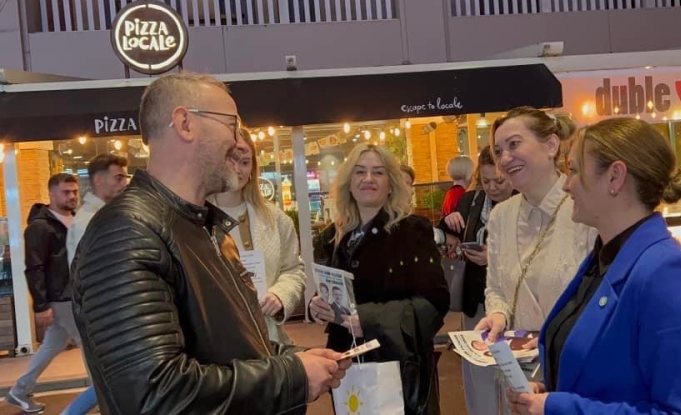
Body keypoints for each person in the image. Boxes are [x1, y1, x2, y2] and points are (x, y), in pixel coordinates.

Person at [70, 72, 350, 414]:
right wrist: (291, 375)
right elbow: (156, 394)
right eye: (231, 124)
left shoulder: (203, 225)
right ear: (185, 123)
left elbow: (233, 347)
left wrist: (295, 360)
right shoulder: (126, 232)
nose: (240, 142)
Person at [507, 117, 681, 414]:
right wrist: (549, 392)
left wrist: (559, 407)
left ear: (614, 177)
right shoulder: (603, 261)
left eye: (574, 170)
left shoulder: (669, 275)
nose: (567, 186)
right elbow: (605, 376)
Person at [309, 143, 450, 414]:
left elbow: (435, 302)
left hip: (399, 368)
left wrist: (369, 320)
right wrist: (319, 305)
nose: (368, 178)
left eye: (378, 172)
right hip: (349, 366)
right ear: (349, 183)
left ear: (391, 184)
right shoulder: (338, 235)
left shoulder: (412, 231)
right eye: (360, 172)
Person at [476, 107, 595, 415]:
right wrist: (498, 315)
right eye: (499, 151)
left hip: (576, 370)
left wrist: (552, 336)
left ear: (551, 145)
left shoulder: (586, 209)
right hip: (519, 376)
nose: (505, 159)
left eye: (514, 144)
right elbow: (496, 288)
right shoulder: (501, 216)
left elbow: (599, 300)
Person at [438, 146, 515, 415]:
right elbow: (446, 233)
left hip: (512, 302)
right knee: (478, 370)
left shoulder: (524, 203)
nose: (492, 187)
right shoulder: (470, 201)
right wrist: (448, 222)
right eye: (486, 181)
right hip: (475, 299)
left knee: (513, 372)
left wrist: (491, 258)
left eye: (499, 181)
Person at [210, 130, 306, 344]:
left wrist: (280, 295)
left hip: (268, 339)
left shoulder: (276, 219)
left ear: (253, 168)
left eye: (245, 162)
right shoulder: (196, 219)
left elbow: (293, 269)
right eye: (230, 160)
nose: (237, 169)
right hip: (218, 341)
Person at [61, 154, 130, 415]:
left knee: (111, 384)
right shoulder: (89, 221)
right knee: (108, 383)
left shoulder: (104, 215)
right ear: (99, 180)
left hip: (109, 315)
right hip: (105, 317)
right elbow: (91, 276)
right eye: (118, 177)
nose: (124, 183)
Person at [5, 174, 79, 413]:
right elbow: (34, 267)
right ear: (52, 194)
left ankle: (19, 391)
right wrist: (41, 305)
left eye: (75, 191)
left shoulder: (75, 220)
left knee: (51, 346)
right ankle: (102, 397)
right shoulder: (40, 227)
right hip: (62, 298)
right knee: (91, 347)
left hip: (74, 294)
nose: (72, 196)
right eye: (66, 192)